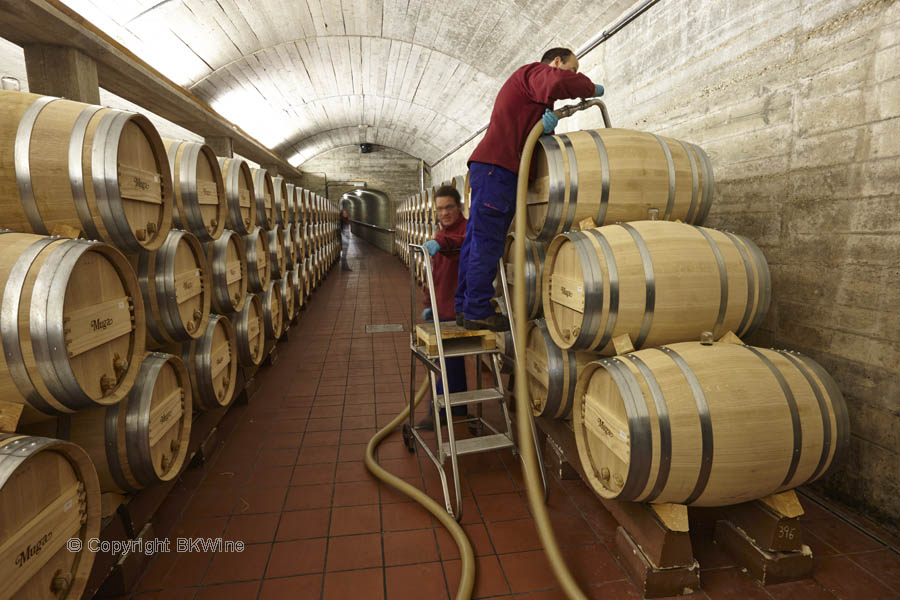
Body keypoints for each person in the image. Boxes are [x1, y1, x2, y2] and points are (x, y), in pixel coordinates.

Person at [455, 47, 604, 331]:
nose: (571, 74)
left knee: (476, 240)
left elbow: (527, 136)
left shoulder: (533, 92)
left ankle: (466, 306)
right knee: (487, 243)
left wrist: (545, 127)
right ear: (556, 62)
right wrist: (589, 87)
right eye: (571, 68)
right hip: (497, 170)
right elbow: (559, 82)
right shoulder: (534, 73)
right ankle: (476, 310)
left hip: (490, 168)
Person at [418, 185, 469, 431]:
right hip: (441, 309)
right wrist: (428, 304)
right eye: (440, 208)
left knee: (445, 364)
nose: (444, 212)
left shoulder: (465, 230)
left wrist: (441, 241)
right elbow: (433, 276)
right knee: (451, 360)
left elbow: (456, 243)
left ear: (458, 206)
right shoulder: (441, 233)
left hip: (457, 309)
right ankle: (458, 407)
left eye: (449, 207)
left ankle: (436, 411)